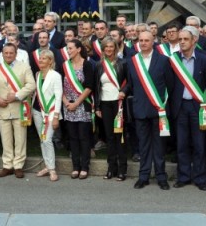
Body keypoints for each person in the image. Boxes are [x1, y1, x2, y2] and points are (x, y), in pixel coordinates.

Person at [121, 30, 174, 191]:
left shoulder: (164, 60)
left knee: (159, 146)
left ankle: (161, 176)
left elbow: (170, 85)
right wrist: (123, 91)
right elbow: (130, 83)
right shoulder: (132, 61)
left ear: (153, 42)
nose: (143, 43)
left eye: (146, 40)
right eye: (141, 40)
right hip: (140, 109)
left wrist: (164, 105)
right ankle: (143, 176)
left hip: (159, 110)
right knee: (143, 145)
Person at [169, 26, 206, 191]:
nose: (182, 42)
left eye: (185, 39)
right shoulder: (173, 59)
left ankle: (200, 178)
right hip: (180, 107)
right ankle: (183, 176)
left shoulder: (203, 58)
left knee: (199, 144)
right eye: (180, 39)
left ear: (194, 40)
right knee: (182, 144)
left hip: (198, 107)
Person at [0, 43, 36, 179]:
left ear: (16, 53)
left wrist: (17, 95)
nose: (8, 55)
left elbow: (31, 85)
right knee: (5, 140)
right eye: (6, 53)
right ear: (2, 53)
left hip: (19, 108)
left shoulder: (24, 67)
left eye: (11, 53)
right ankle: (7, 165)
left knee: (20, 139)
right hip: (2, 108)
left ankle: (18, 166)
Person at [94, 37, 128, 181]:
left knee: (119, 136)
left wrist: (124, 91)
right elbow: (96, 88)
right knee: (109, 137)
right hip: (105, 104)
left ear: (115, 48)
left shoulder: (123, 63)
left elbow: (129, 82)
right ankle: (111, 168)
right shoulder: (99, 65)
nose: (109, 49)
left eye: (111, 47)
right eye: (106, 47)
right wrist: (97, 106)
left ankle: (122, 169)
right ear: (103, 49)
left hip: (119, 104)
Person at [60, 39, 94, 179]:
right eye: (67, 49)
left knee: (83, 137)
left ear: (79, 49)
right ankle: (75, 166)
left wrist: (76, 103)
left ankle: (85, 167)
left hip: (82, 104)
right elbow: (59, 85)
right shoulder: (64, 65)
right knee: (73, 138)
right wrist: (66, 101)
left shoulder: (87, 64)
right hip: (68, 105)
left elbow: (89, 86)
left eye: (71, 48)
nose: (68, 51)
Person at [32, 49, 62, 182]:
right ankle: (47, 166)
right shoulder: (38, 74)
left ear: (50, 61)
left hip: (50, 112)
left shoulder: (55, 75)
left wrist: (56, 116)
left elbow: (58, 96)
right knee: (42, 139)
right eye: (40, 58)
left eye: (44, 58)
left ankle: (52, 169)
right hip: (37, 111)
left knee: (47, 140)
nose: (40, 60)